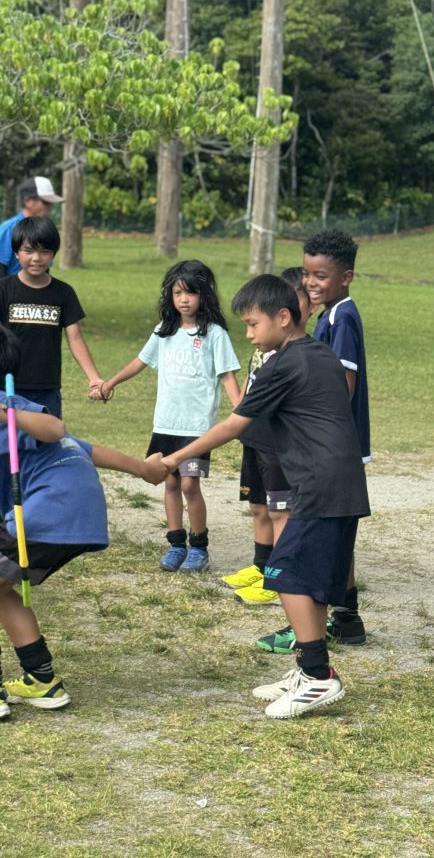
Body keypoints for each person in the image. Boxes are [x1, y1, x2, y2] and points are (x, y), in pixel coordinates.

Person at [161, 274, 370, 719]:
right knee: (308, 581)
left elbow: (235, 423)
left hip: (320, 485)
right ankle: (310, 668)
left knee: (286, 575)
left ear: (282, 317)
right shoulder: (316, 353)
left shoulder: (283, 363)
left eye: (254, 325)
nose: (250, 335)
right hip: (337, 482)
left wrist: (171, 459)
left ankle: (317, 678)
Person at [0, 323, 165, 720]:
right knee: (1, 587)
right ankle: (41, 678)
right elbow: (86, 448)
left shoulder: (8, 405)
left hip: (51, 511)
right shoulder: (1, 411)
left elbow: (56, 428)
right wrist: (144, 470)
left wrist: (3, 409)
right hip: (79, 516)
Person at [257, 230, 370, 654]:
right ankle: (346, 616)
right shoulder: (330, 315)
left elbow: (343, 385)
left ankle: (316, 626)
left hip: (328, 447)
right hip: (332, 446)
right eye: (306, 274)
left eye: (320, 276)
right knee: (336, 533)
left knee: (315, 542)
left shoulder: (341, 318)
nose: (310, 283)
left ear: (346, 277)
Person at [95, 260, 241, 574]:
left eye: (190, 292)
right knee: (170, 484)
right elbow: (140, 362)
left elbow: (228, 376)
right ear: (170, 296)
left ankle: (199, 547)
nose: (184, 299)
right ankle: (176, 544)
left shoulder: (215, 334)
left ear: (204, 295)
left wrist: (243, 413)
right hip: (165, 424)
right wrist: (110, 383)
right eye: (177, 293)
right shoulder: (163, 332)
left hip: (197, 429)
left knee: (190, 485)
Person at [221, 268, 313, 606]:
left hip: (278, 446)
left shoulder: (294, 357)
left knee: (280, 512)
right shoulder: (262, 351)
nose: (250, 332)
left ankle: (278, 576)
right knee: (258, 506)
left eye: (254, 323)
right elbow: (247, 392)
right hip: (254, 440)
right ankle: (261, 567)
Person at [0, 216, 102, 418]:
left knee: (47, 443)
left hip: (47, 388)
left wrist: (94, 378)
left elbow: (75, 338)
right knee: (10, 446)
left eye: (44, 251)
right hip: (7, 385)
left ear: (53, 254)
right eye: (28, 251)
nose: (36, 258)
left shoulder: (64, 293)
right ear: (16, 253)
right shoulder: (2, 289)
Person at [0, 176, 64, 282]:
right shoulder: (9, 229)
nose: (50, 206)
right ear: (28, 201)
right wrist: (3, 295)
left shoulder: (46, 229)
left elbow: (45, 268)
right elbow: (0, 269)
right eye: (45, 202)